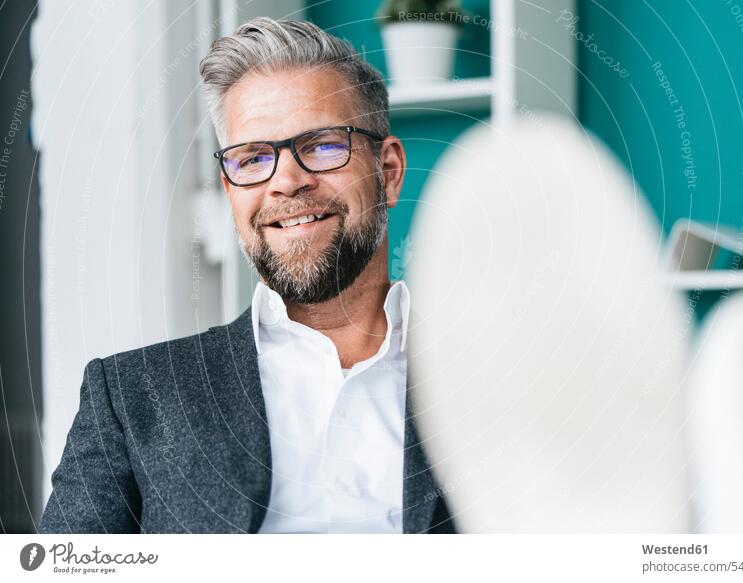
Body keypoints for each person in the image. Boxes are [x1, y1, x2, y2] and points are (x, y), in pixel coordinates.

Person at [39, 17, 455, 534]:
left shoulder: (499, 378)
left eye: (324, 144)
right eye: (254, 157)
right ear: (230, 189)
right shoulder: (130, 396)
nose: (286, 182)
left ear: (388, 172)